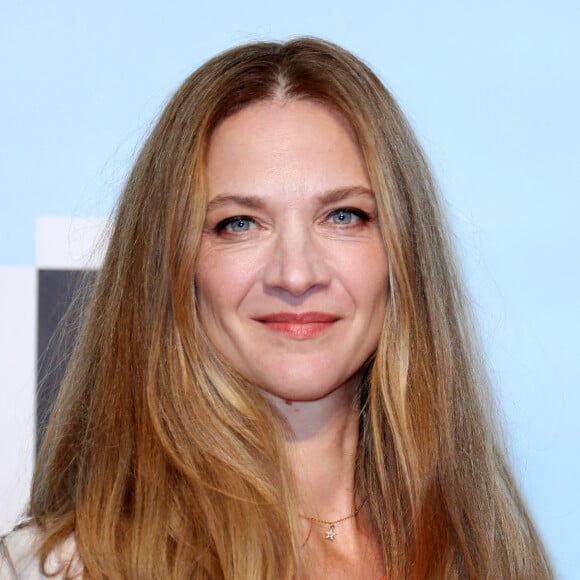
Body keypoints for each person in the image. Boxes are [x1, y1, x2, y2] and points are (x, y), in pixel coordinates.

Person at [0, 37, 553, 579]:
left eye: (344, 216)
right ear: (171, 269)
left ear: (404, 255)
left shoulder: (486, 557)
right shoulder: (61, 568)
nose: (296, 274)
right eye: (239, 224)